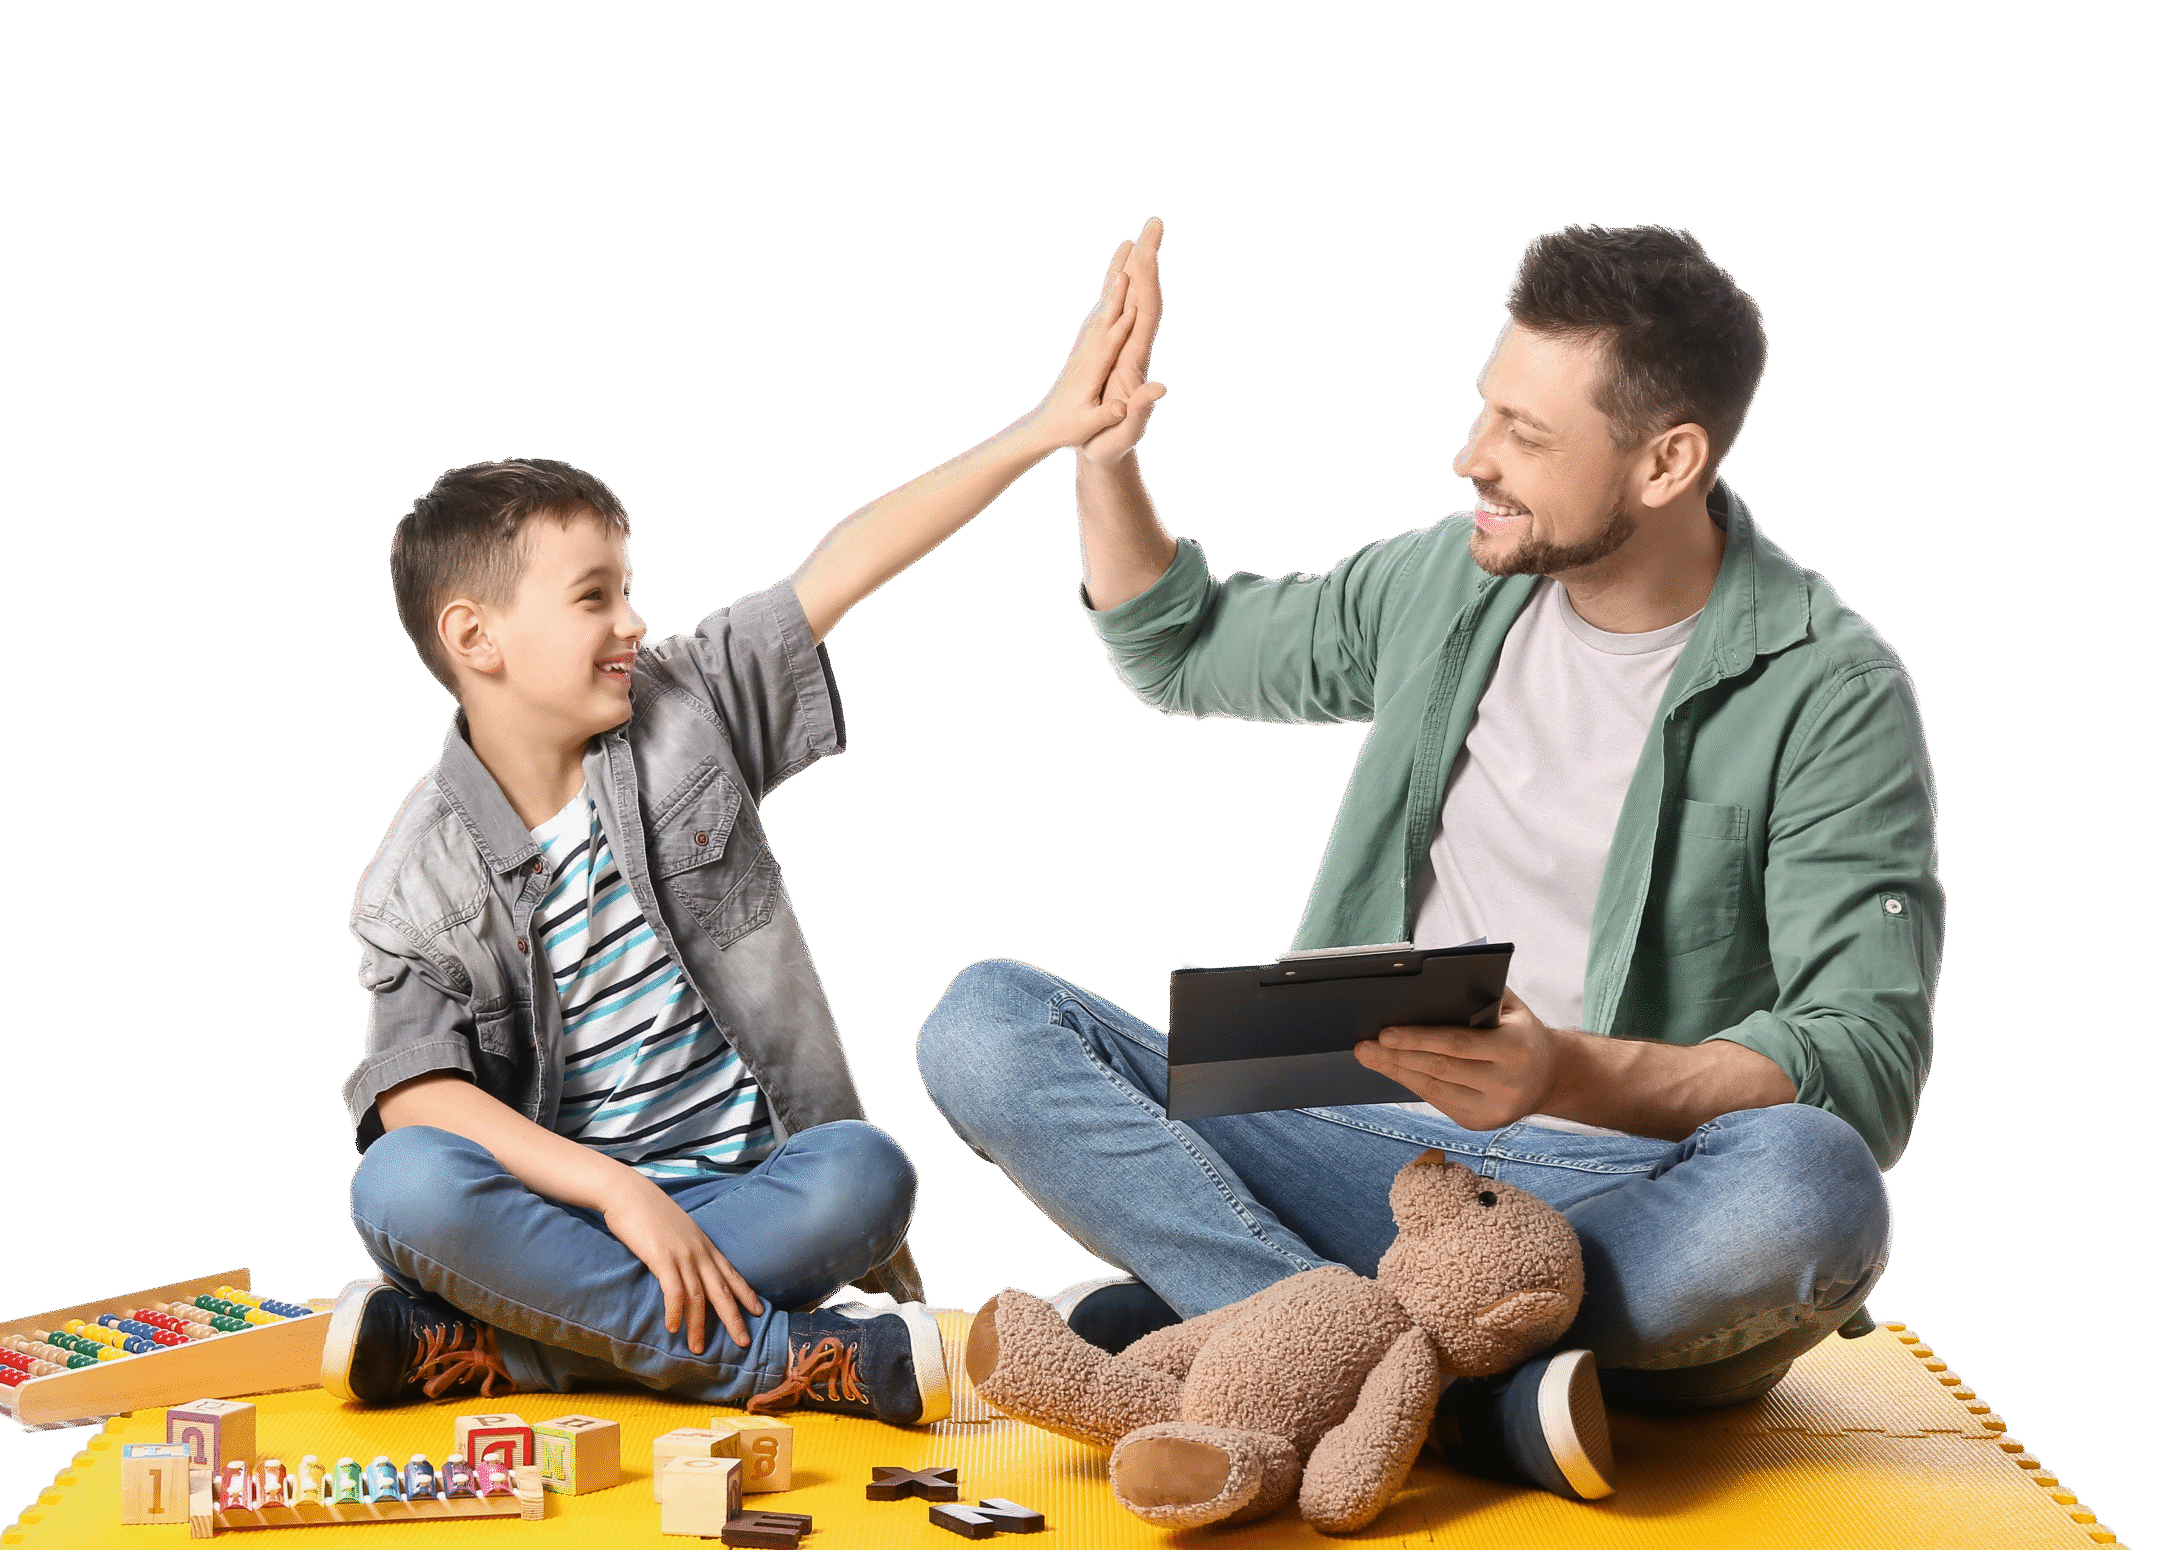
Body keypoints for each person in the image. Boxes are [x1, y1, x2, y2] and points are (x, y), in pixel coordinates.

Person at [916, 219, 1937, 1498]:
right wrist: (1105, 455)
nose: (1472, 458)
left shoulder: (1833, 686)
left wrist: (1560, 1068)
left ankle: (1257, 1322)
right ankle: (1436, 1385)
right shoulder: (1449, 579)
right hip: (1354, 1137)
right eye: (1482, 409)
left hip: (1603, 1191)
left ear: (1670, 459)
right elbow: (1178, 644)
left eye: (1527, 434)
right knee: (984, 1021)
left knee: (1817, 1188)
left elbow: (1864, 1060)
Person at [320, 221, 1172, 1426]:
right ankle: (765, 1360)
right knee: (401, 1184)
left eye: (630, 585)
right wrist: (618, 1195)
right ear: (476, 639)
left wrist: (1043, 429)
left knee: (869, 1171)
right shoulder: (415, 879)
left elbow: (843, 564)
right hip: (575, 1219)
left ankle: (530, 1349)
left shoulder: (681, 702)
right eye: (594, 596)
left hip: (754, 1195)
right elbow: (417, 1100)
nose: (633, 619)